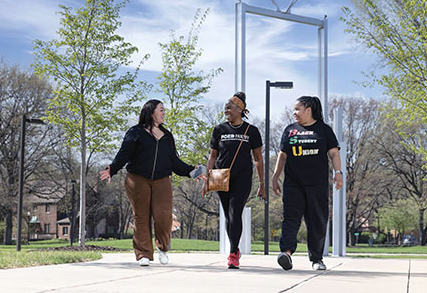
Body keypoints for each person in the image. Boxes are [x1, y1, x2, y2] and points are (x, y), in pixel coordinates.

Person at [99, 99, 204, 266]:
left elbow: (174, 161)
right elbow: (124, 154)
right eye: (161, 110)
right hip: (137, 179)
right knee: (141, 217)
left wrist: (192, 171)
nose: (164, 113)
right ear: (151, 112)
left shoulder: (167, 136)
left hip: (161, 180)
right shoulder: (135, 132)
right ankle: (143, 254)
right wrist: (112, 168)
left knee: (163, 216)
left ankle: (162, 248)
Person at [271, 96, 343, 271]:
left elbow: (333, 153)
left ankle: (317, 259)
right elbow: (282, 155)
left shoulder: (324, 130)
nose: (294, 113)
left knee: (317, 220)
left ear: (309, 109)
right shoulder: (290, 130)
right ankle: (286, 253)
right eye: (294, 109)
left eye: (297, 109)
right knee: (290, 218)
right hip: (293, 183)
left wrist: (338, 173)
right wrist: (275, 178)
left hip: (316, 184)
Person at [202, 92, 265, 269]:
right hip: (220, 176)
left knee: (235, 212)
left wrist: (262, 184)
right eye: (226, 108)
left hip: (243, 177)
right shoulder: (219, 130)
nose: (226, 110)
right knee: (228, 216)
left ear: (240, 109)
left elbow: (258, 158)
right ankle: (235, 250)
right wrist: (208, 180)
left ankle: (232, 254)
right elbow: (213, 156)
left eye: (230, 107)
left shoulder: (251, 131)